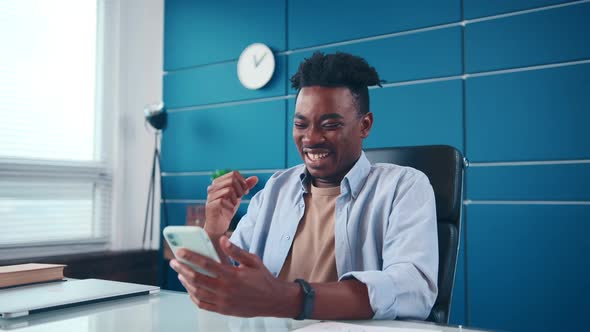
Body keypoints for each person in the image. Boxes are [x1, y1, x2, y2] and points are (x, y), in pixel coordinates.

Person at [170, 52, 438, 320]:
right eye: (301, 124)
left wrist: (288, 298)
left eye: (330, 125)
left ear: (364, 125)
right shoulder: (276, 188)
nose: (311, 138)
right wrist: (214, 232)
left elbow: (412, 289)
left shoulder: (404, 187)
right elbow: (227, 283)